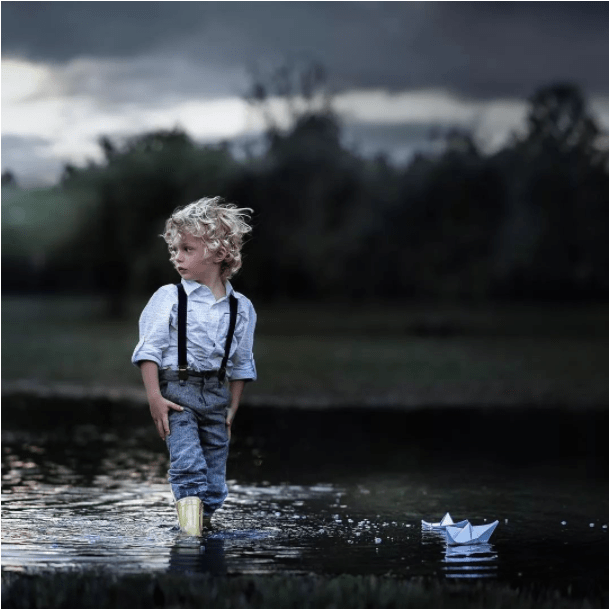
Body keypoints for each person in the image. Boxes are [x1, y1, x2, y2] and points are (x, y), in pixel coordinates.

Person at [132, 197, 257, 535]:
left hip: (216, 398)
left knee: (214, 484)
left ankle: (203, 530)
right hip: (176, 395)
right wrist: (155, 399)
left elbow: (242, 365)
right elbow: (149, 352)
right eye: (175, 249)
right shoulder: (169, 297)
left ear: (219, 254)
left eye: (187, 249)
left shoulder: (241, 308)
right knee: (188, 467)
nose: (177, 257)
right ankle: (190, 544)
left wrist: (231, 410)